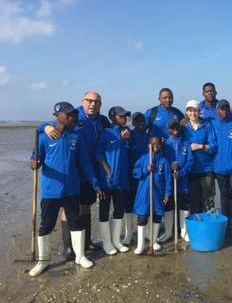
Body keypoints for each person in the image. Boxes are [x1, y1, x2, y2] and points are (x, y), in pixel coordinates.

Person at [29, 102, 98, 276]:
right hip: (50, 191)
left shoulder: (76, 137)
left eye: (73, 114)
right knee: (46, 226)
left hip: (72, 191)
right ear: (58, 116)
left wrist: (95, 181)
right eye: (68, 115)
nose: (72, 117)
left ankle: (80, 256)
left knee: (76, 223)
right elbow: (35, 158)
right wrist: (34, 163)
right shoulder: (44, 136)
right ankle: (43, 261)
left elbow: (85, 164)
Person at [39, 91, 111, 259]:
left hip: (91, 167)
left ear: (100, 104)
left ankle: (86, 243)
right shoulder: (75, 116)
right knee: (70, 206)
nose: (93, 104)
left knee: (85, 204)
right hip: (72, 169)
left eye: (96, 101)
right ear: (83, 101)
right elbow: (53, 123)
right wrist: (44, 126)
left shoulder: (103, 120)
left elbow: (112, 133)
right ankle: (68, 247)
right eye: (89, 100)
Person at [96, 106, 131, 255]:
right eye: (121, 116)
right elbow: (98, 154)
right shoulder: (106, 132)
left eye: (125, 116)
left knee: (119, 210)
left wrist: (125, 140)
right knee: (104, 210)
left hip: (121, 180)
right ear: (113, 117)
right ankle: (107, 243)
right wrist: (106, 169)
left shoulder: (127, 133)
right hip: (106, 181)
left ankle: (116, 240)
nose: (124, 119)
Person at [132, 136, 172, 254]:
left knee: (157, 216)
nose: (156, 146)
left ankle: (154, 241)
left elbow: (168, 179)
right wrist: (146, 169)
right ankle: (140, 245)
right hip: (144, 194)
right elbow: (135, 172)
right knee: (142, 217)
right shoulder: (143, 159)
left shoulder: (164, 161)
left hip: (158, 194)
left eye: (158, 144)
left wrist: (167, 193)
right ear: (148, 145)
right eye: (153, 144)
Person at [212, 99, 232, 240]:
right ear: (217, 110)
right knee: (224, 198)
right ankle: (227, 224)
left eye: (226, 108)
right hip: (219, 169)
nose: (224, 111)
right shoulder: (213, 124)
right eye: (221, 109)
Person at [161, 119, 193, 242]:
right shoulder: (165, 144)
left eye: (177, 127)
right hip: (169, 181)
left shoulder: (186, 143)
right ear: (168, 129)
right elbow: (161, 161)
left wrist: (180, 172)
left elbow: (190, 162)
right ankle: (168, 232)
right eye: (172, 127)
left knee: (183, 206)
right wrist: (170, 169)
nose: (175, 130)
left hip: (182, 180)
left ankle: (184, 232)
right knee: (168, 206)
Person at [184, 100, 218, 213]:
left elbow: (213, 146)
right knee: (193, 202)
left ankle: (209, 228)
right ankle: (197, 229)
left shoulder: (207, 125)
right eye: (190, 111)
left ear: (199, 111)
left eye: (195, 110)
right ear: (187, 112)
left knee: (208, 202)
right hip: (191, 170)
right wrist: (189, 147)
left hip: (207, 169)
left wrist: (202, 146)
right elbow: (180, 146)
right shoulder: (184, 127)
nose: (192, 113)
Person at [123, 112, 149, 245]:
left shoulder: (148, 137)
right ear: (133, 123)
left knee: (143, 205)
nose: (140, 123)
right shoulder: (129, 135)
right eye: (137, 121)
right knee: (128, 206)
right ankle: (128, 233)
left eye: (142, 121)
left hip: (143, 177)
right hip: (129, 176)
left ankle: (145, 232)